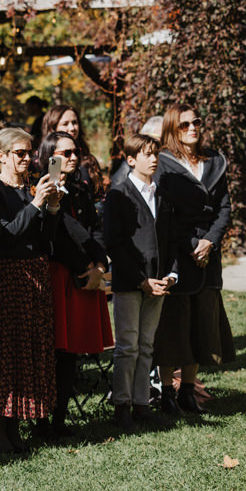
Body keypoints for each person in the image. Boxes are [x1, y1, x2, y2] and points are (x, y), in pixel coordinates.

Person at [154, 102, 236, 414]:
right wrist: (192, 244)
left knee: (201, 325)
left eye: (196, 122)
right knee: (173, 327)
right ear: (172, 128)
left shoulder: (214, 161)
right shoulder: (163, 164)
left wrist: (210, 242)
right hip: (177, 252)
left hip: (207, 254)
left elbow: (224, 208)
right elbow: (163, 214)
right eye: (185, 124)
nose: (193, 128)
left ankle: (188, 390)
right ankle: (167, 394)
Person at [0, 127, 61, 453]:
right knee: (8, 353)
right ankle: (0, 429)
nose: (27, 158)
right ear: (1, 156)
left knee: (30, 350)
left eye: (29, 152)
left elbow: (46, 237)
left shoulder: (32, 188)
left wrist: (52, 207)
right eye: (19, 153)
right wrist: (37, 203)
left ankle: (18, 425)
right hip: (10, 276)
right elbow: (6, 235)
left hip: (38, 273)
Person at [38, 130, 112, 437]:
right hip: (57, 272)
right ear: (50, 157)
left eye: (74, 152)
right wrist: (88, 266)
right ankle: (43, 421)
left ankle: (59, 420)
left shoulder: (80, 189)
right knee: (52, 350)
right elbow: (58, 237)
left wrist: (101, 265)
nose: (72, 157)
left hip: (83, 273)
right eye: (65, 153)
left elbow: (93, 229)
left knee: (70, 352)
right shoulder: (44, 187)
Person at [104, 133, 178, 430]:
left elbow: (170, 241)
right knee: (127, 346)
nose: (154, 158)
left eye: (156, 153)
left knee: (147, 345)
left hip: (159, 282)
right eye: (146, 154)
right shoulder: (119, 194)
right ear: (131, 160)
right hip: (130, 283)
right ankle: (121, 406)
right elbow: (114, 243)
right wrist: (141, 280)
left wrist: (171, 275)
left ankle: (142, 403)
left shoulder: (162, 195)